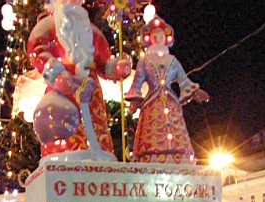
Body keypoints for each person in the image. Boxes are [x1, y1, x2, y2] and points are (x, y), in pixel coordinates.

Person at [28, 0, 131, 158]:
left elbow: (103, 61)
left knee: (96, 128)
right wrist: (56, 73)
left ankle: (98, 153)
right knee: (63, 124)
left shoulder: (91, 31)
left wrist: (116, 67)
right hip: (64, 87)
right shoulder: (47, 26)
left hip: (92, 91)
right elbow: (37, 51)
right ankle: (63, 153)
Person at [125, 16, 209, 164]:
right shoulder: (145, 60)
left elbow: (184, 80)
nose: (158, 39)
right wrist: (134, 101)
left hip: (170, 101)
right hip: (152, 102)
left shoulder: (172, 60)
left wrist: (195, 91)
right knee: (153, 129)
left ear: (166, 39)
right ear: (150, 39)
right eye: (155, 37)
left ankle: (179, 155)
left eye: (161, 37)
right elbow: (137, 81)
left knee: (175, 129)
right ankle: (150, 155)